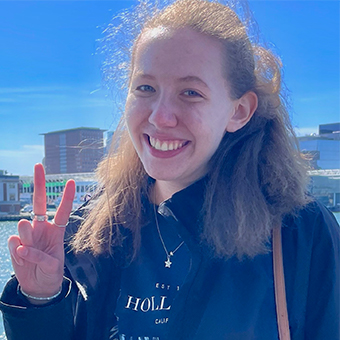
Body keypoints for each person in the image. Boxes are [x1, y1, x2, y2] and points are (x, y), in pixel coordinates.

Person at [1, 0, 339, 339]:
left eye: (190, 92)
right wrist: (41, 298)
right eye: (145, 88)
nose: (161, 117)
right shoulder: (94, 229)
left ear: (239, 111)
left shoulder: (299, 233)